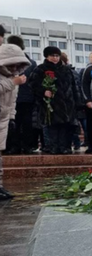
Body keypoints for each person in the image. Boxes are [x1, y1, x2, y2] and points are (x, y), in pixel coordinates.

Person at [30, 46, 81, 155]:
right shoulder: (41, 69)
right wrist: (43, 91)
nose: (55, 58)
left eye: (57, 56)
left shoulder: (66, 69)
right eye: (52, 56)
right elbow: (33, 85)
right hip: (50, 104)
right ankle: (53, 147)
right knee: (52, 127)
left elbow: (74, 86)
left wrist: (77, 102)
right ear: (47, 56)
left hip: (67, 104)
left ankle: (65, 147)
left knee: (66, 127)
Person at [0, 44, 30, 200]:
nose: (14, 67)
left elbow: (12, 101)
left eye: (17, 65)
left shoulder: (14, 78)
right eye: (11, 64)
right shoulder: (12, 80)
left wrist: (12, 117)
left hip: (3, 118)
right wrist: (13, 83)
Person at [4, 35, 36, 155]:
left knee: (25, 123)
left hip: (25, 97)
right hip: (12, 98)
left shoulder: (31, 63)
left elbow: (35, 81)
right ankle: (15, 146)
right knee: (14, 123)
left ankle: (24, 146)